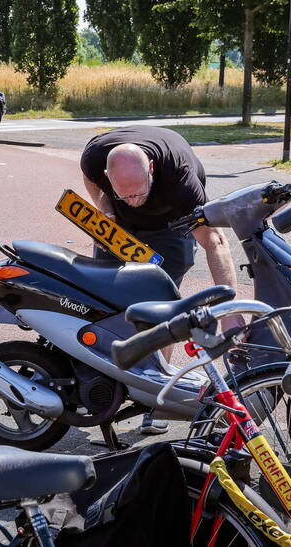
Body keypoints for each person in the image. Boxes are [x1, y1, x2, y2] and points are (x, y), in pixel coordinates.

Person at [80, 125, 238, 434]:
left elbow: (215, 241)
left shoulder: (180, 182)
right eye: (124, 193)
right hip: (119, 228)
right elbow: (90, 178)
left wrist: (230, 314)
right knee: (101, 298)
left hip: (171, 225)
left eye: (138, 192)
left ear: (150, 168)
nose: (133, 199)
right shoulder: (94, 157)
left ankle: (155, 400)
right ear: (108, 176)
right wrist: (107, 207)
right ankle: (104, 385)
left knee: (161, 306)